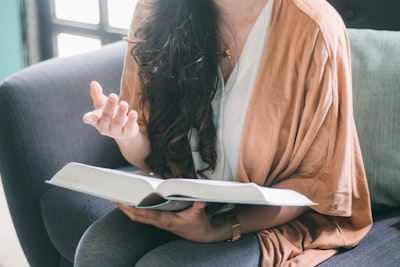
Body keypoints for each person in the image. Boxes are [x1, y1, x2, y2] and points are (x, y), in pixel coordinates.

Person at [76, 0, 372, 266]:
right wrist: (126, 135)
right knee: (96, 252)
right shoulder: (154, 10)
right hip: (185, 201)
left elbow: (314, 186)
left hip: (273, 218)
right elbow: (152, 157)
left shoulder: (315, 29)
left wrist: (220, 228)